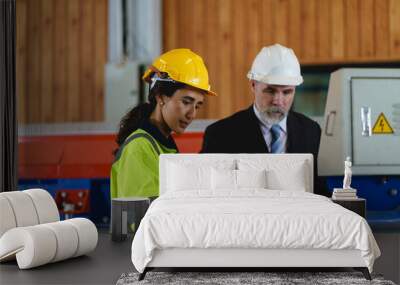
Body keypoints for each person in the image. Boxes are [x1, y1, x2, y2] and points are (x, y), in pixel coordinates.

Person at [201, 44, 327, 196]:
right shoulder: (220, 134)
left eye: (287, 92)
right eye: (270, 91)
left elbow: (319, 190)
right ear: (253, 85)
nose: (278, 100)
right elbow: (209, 193)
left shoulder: (311, 131)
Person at [111, 49, 216, 199]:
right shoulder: (139, 148)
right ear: (161, 97)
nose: (192, 114)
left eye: (197, 106)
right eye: (186, 102)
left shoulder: (162, 145)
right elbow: (153, 214)